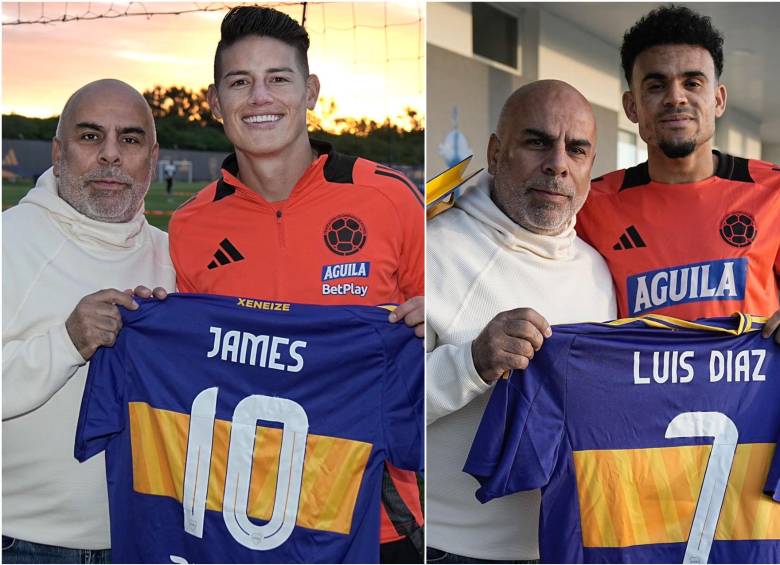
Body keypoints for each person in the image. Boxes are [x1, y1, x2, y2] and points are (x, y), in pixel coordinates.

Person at [167, 7, 425, 562]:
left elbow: (447, 341)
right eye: (240, 82)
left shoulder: (388, 198)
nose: (260, 97)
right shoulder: (189, 227)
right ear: (215, 104)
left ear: (309, 91)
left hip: (375, 515)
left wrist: (436, 322)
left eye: (277, 79)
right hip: (244, 514)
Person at [426, 79, 617, 563]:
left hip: (565, 545)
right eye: (537, 141)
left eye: (576, 149)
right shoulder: (429, 250)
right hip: (445, 546)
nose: (557, 164)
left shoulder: (599, 271)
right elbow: (373, 401)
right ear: (495, 152)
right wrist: (470, 364)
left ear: (590, 168)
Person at [2, 79, 175, 563]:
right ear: (58, 150)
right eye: (90, 136)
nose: (111, 155)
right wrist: (66, 343)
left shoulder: (176, 259)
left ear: (152, 157)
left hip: (144, 540)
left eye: (131, 139)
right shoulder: (7, 241)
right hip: (22, 542)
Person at [577, 5, 780, 341]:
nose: (676, 98)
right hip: (637, 393)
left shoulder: (773, 190)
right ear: (632, 106)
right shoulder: (590, 206)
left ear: (718, 99)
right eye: (656, 86)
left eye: (692, 82)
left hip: (749, 394)